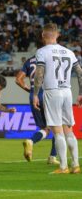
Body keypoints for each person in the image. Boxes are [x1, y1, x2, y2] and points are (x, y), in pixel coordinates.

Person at [33, 23, 82, 174]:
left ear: (43, 35)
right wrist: (81, 93)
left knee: (57, 131)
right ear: (58, 35)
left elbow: (39, 73)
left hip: (52, 92)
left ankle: (63, 167)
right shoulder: (69, 52)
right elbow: (80, 73)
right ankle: (75, 165)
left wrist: (35, 93)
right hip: (67, 92)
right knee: (69, 130)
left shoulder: (42, 52)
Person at [16, 37, 59, 165]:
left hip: (33, 96)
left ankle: (31, 141)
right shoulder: (48, 59)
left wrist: (28, 90)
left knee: (46, 128)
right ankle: (52, 156)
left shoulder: (29, 61)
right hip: (48, 94)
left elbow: (18, 79)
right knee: (57, 126)